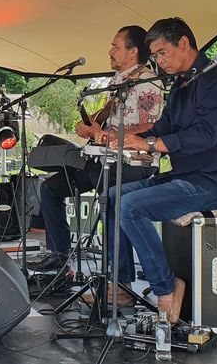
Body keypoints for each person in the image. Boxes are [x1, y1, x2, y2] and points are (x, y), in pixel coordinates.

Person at [104, 17, 217, 322]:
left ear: (183, 43)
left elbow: (204, 135)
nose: (158, 61)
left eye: (161, 53)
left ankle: (166, 287)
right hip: (187, 176)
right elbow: (163, 127)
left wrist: (153, 145)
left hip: (216, 182)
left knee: (130, 205)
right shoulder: (184, 84)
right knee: (112, 195)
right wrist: (124, 139)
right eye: (154, 56)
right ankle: (120, 284)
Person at [29, 25, 163, 274]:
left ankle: (119, 276)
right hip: (103, 159)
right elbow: (105, 119)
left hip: (133, 163)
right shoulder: (117, 81)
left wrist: (109, 135)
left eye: (115, 46)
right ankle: (59, 255)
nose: (110, 51)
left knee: (109, 197)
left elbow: (153, 125)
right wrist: (91, 123)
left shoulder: (147, 82)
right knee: (49, 189)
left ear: (133, 52)